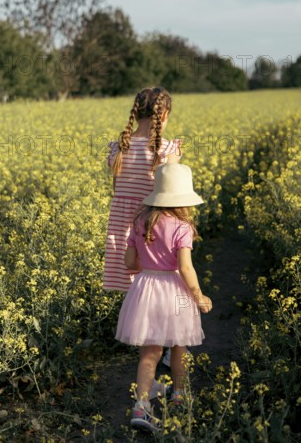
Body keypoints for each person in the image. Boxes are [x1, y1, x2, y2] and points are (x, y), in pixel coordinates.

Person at [115, 163, 213, 432]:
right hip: (177, 290)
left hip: (145, 288)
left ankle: (141, 406)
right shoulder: (182, 226)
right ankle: (180, 394)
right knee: (179, 345)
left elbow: (129, 262)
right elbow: (186, 268)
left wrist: (147, 259)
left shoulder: (140, 222)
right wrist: (199, 295)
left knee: (150, 352)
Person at [103, 86, 181, 398]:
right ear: (164, 115)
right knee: (162, 299)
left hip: (123, 235)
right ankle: (156, 364)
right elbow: (172, 196)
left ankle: (151, 371)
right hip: (153, 234)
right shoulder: (166, 150)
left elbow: (118, 190)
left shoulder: (118, 148)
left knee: (142, 299)